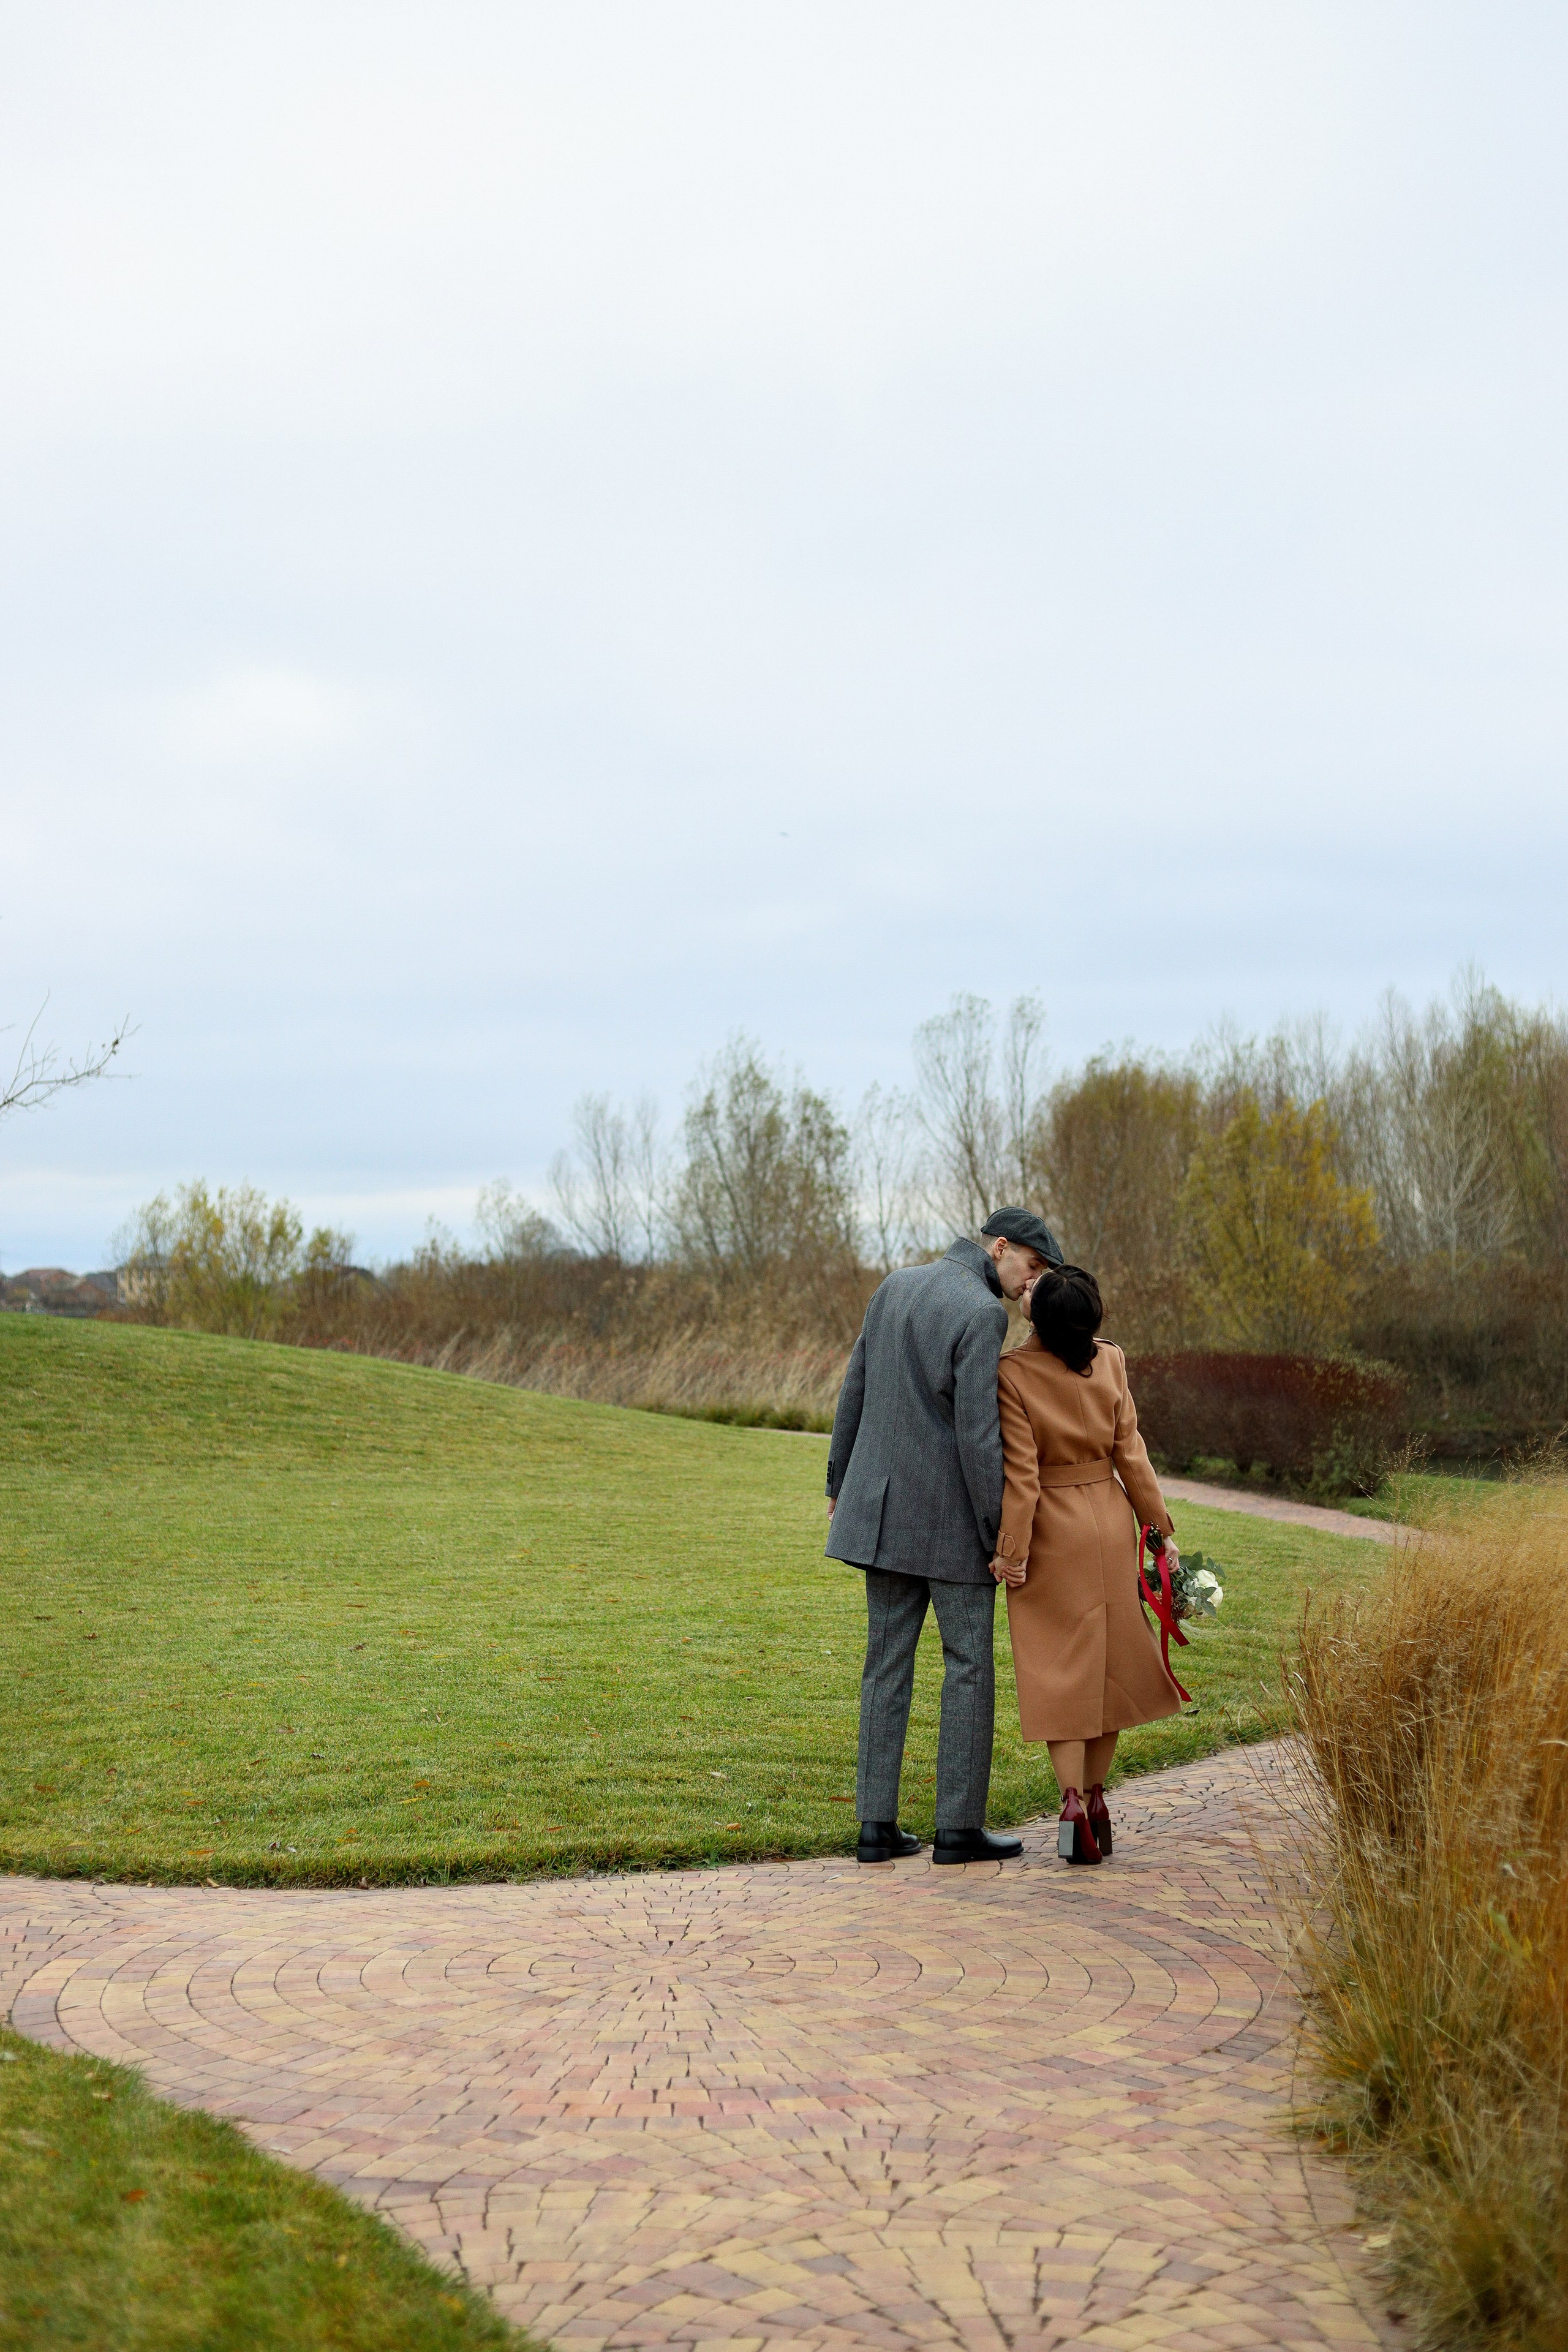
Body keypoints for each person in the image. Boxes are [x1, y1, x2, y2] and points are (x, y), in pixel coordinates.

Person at [826, 1208, 1064, 1864]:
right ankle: (957, 1830)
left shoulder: (894, 1285)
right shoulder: (981, 1315)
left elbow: (856, 1387)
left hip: (880, 1516)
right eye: (1031, 1268)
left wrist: (836, 1481)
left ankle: (875, 1829)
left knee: (885, 1667)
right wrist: (999, 1534)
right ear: (1000, 1247)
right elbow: (977, 1437)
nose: (1029, 1286)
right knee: (967, 1667)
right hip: (950, 1527)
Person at [989, 1263, 1182, 1865]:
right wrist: (1159, 1534)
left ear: (1039, 1317)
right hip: (1108, 1520)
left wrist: (1010, 1555)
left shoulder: (1013, 1374)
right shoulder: (1112, 1361)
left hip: (1053, 1532)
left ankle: (1071, 1805)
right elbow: (1132, 1454)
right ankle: (1098, 1802)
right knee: (1109, 1669)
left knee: (1061, 1672)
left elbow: (1021, 1478)